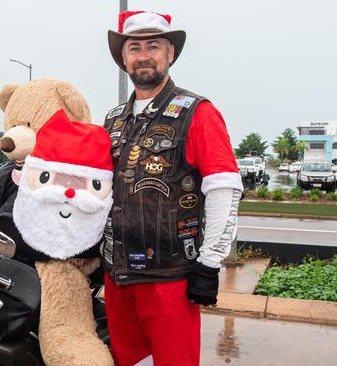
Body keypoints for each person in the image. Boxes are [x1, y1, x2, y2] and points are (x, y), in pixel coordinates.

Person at [102, 11, 243, 366]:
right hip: (117, 276)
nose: (144, 55)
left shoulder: (198, 112)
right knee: (126, 362)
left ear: (170, 54)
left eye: (154, 45)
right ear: (124, 58)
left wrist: (210, 262)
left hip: (169, 280)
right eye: (134, 47)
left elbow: (224, 189)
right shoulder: (113, 118)